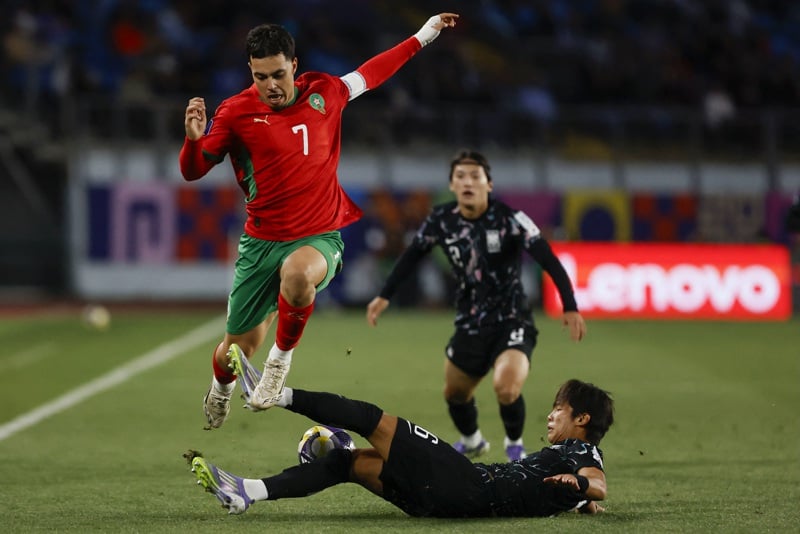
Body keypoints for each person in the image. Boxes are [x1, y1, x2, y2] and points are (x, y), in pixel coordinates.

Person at [179, 13, 460, 429]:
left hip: (318, 237)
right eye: (260, 77)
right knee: (234, 352)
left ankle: (279, 364)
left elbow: (373, 73)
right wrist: (192, 140)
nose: (271, 85)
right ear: (250, 72)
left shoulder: (325, 92)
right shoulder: (236, 112)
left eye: (278, 74)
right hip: (260, 245)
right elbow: (193, 171)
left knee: (298, 276)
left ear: (294, 65)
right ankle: (220, 388)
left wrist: (423, 35)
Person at [365, 150, 586, 461]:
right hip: (470, 322)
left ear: (489, 184)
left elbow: (548, 260)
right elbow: (412, 255)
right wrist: (384, 295)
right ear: (452, 185)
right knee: (455, 393)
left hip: (512, 319)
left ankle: (515, 447)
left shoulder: (511, 219)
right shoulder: (441, 220)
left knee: (506, 388)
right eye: (461, 177)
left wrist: (570, 305)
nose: (467, 182)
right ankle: (473, 441)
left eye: (475, 176)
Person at [185, 364, 614, 518]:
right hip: (440, 505)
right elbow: (583, 494)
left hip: (467, 483)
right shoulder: (566, 463)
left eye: (559, 409)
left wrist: (582, 487)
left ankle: (275, 394)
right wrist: (579, 501)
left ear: (582, 419)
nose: (550, 415)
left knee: (372, 419)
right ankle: (248, 492)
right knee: (345, 464)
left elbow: (598, 484)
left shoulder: (581, 451)